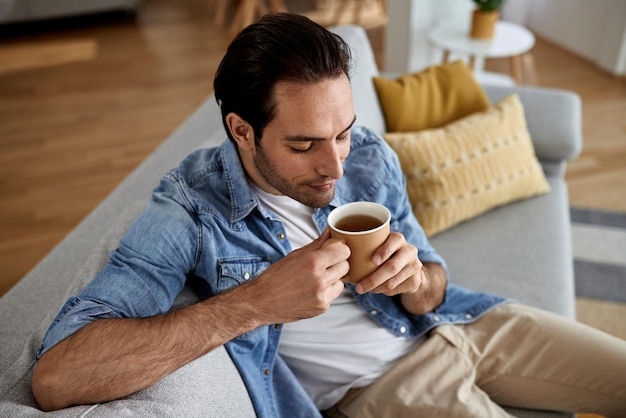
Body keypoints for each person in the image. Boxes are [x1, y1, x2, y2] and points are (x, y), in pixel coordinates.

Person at [32, 12, 626, 417]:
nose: (336, 166)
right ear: (241, 130)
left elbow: (436, 282)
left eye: (341, 133)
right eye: (303, 145)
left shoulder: (366, 153)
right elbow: (58, 376)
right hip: (386, 386)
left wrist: (416, 279)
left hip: (466, 323)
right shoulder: (189, 211)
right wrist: (257, 303)